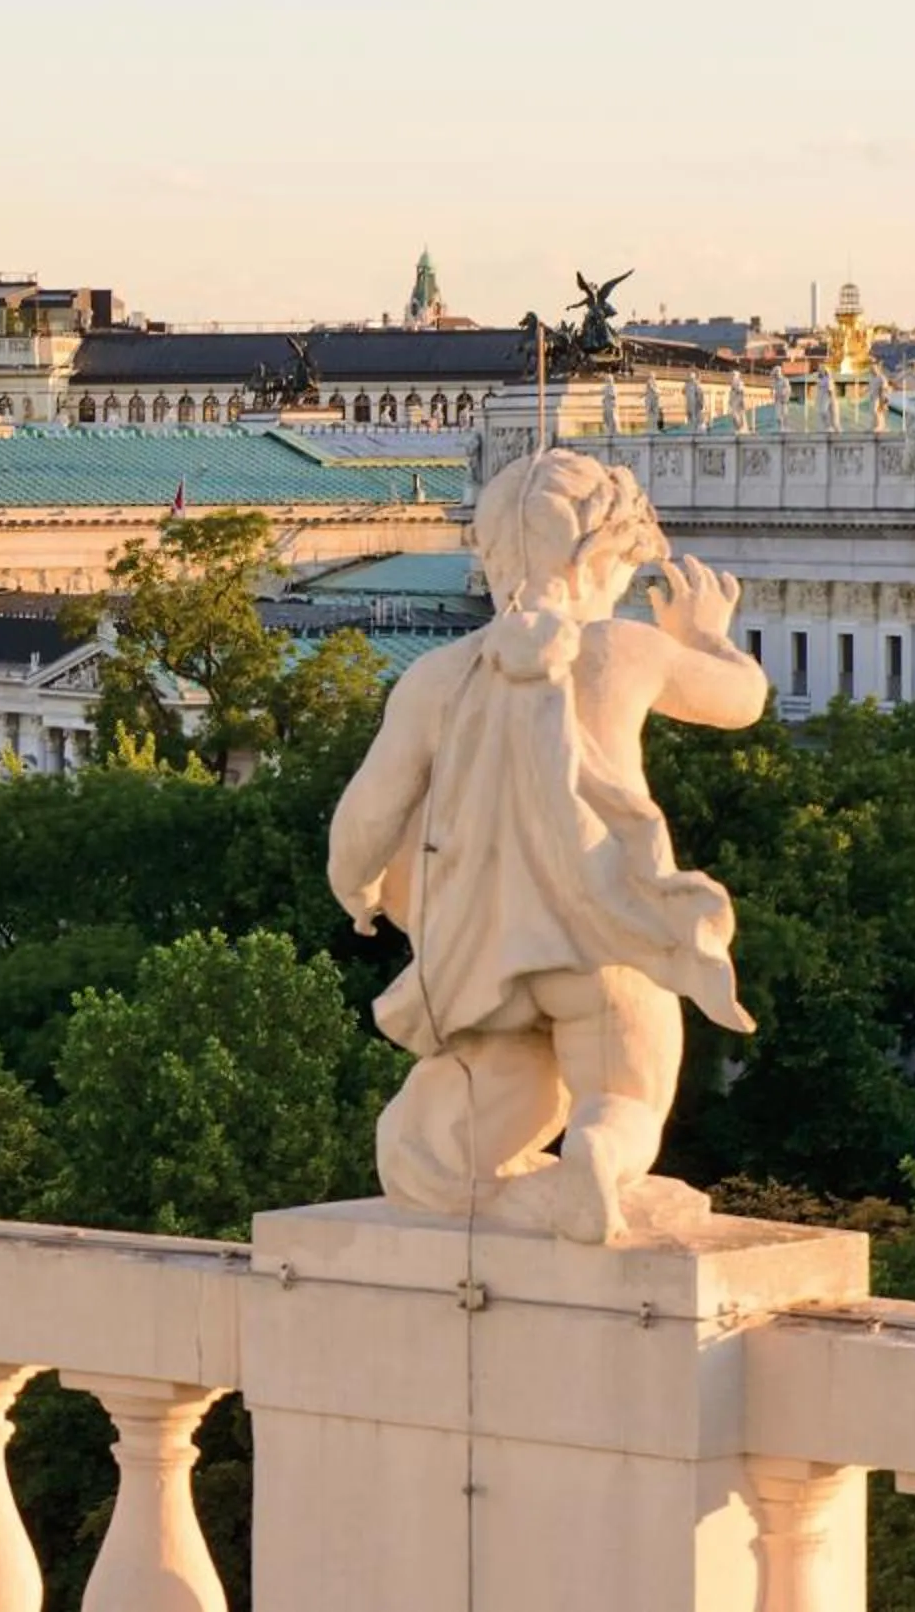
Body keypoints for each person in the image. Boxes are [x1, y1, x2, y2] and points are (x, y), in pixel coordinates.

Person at [328, 450, 766, 1243]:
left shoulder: (435, 676)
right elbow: (742, 701)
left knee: (472, 1122)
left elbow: (364, 817)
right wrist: (708, 637)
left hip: (479, 961)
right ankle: (596, 1155)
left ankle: (461, 1167)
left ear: (492, 555)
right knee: (626, 1094)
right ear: (602, 560)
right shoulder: (623, 651)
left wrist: (358, 893)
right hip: (601, 946)